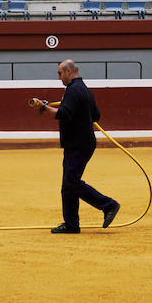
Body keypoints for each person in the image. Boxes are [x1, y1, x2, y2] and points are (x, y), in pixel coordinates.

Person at [32, 59, 120, 234]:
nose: (59, 77)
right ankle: (71, 225)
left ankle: (109, 205)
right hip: (81, 142)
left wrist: (44, 107)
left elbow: (64, 114)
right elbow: (96, 115)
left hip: (79, 143)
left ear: (68, 72)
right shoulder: (84, 89)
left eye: (60, 73)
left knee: (71, 181)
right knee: (68, 183)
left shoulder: (73, 90)